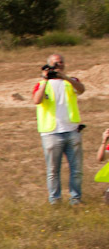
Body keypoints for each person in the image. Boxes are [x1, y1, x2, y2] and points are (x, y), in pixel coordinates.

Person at [31, 53, 85, 205]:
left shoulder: (71, 81)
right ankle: (55, 200)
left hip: (71, 130)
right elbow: (37, 100)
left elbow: (81, 89)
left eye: (61, 62)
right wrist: (45, 79)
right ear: (49, 66)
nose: (59, 65)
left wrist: (65, 77)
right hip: (51, 132)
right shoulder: (42, 84)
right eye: (55, 63)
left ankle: (75, 199)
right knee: (53, 170)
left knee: (77, 169)